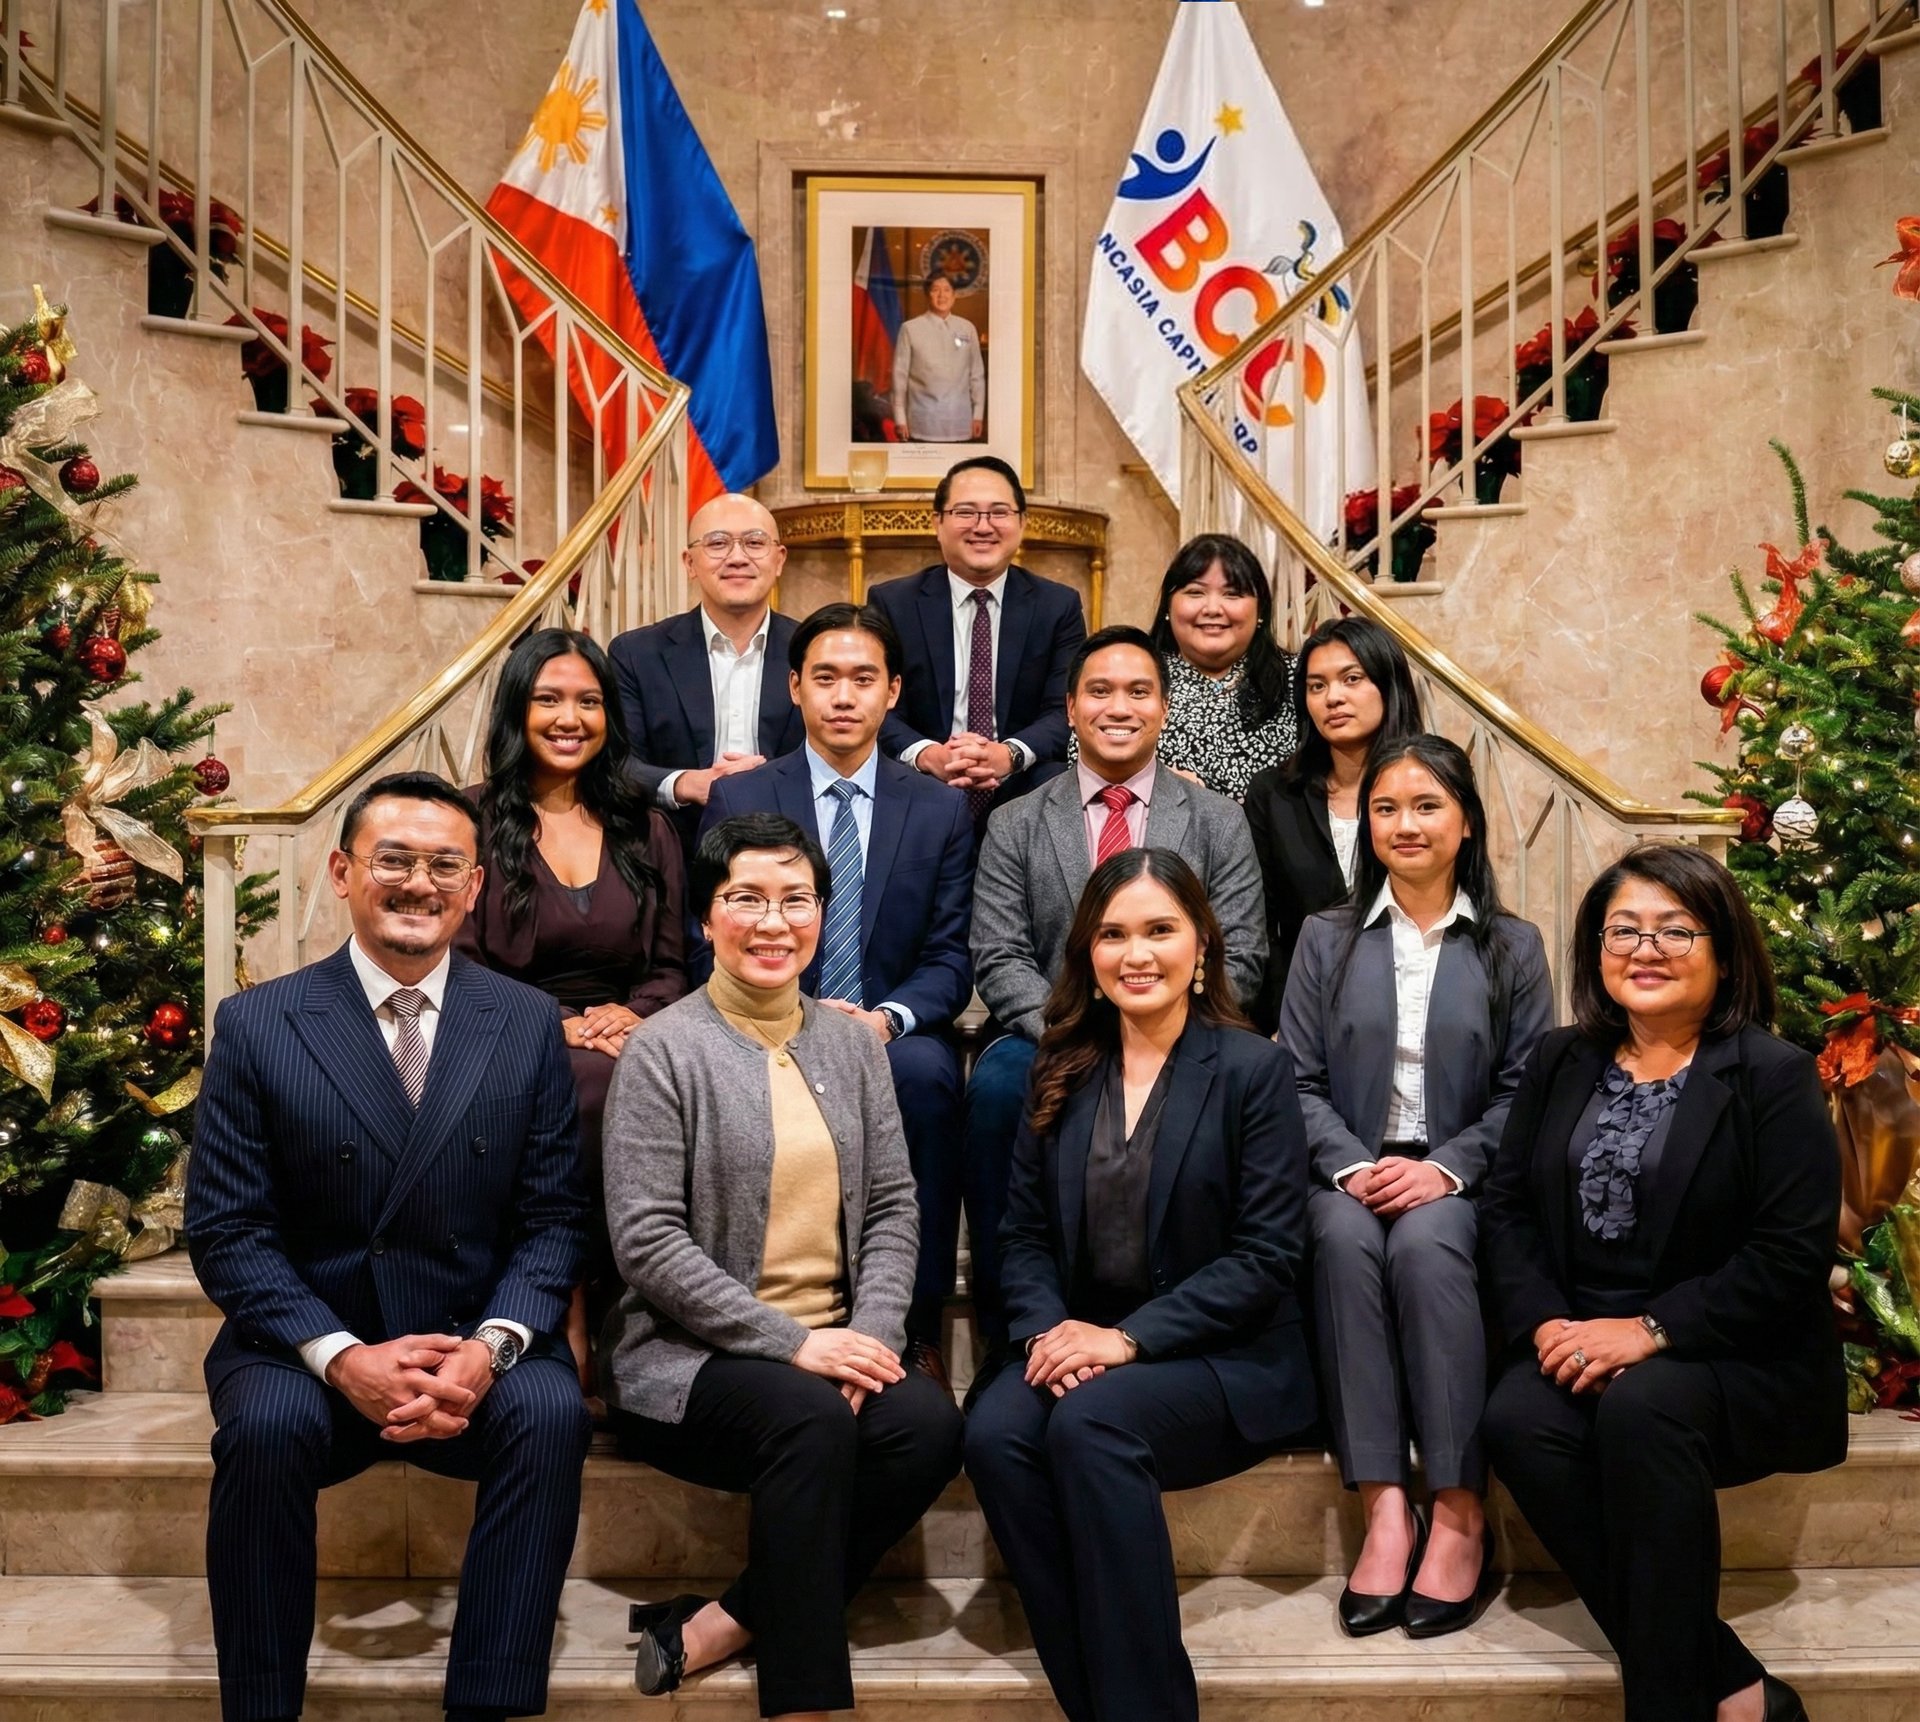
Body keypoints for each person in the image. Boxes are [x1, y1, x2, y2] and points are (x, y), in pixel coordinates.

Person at [187, 771, 590, 1722]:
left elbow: (552, 1220)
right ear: (342, 872)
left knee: (551, 1414)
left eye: (445, 865)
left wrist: (491, 1350)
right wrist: (342, 1356)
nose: (420, 884)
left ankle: (490, 1701)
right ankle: (259, 1703)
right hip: (314, 1337)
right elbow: (228, 1229)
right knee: (266, 1428)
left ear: (476, 886)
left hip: (466, 1335)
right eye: (394, 861)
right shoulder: (258, 1023)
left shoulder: (526, 1020)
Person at [603, 813, 966, 1717]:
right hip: (690, 1357)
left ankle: (728, 1620)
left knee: (925, 1425)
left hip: (832, 1347)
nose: (773, 923)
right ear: (707, 917)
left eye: (795, 900)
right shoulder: (663, 1050)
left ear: (821, 914)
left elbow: (892, 1205)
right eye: (746, 901)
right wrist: (795, 1342)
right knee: (812, 1419)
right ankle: (808, 1700)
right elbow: (647, 1241)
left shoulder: (850, 1044)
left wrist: (872, 1338)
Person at [1481, 844, 1845, 1722]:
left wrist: (1649, 1331)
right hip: (1581, 1340)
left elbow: (1788, 1254)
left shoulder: (1772, 1075)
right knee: (1517, 1417)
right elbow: (1506, 1209)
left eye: (1675, 931)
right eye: (1624, 931)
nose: (1645, 949)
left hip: (1733, 1353)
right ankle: (1736, 1687)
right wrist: (1544, 1327)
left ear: (1723, 951)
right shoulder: (1562, 1058)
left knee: (1644, 1408)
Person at [965, 847, 1317, 1722]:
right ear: (1087, 952)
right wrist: (1051, 1334)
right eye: (1114, 934)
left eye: (1160, 930)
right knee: (998, 1434)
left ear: (1202, 945)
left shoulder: (1253, 1071)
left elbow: (1268, 1256)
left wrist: (1126, 1341)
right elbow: (1024, 1236)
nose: (1137, 953)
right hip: (1078, 1342)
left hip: (1220, 1356)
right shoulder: (1059, 1067)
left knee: (1091, 1422)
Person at [1278, 734, 1551, 1639]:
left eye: (1427, 806)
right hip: (1346, 1164)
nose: (1405, 824)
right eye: (1386, 808)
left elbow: (1526, 1091)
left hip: (1462, 1173)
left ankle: (1460, 1507)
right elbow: (1299, 1081)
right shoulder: (1325, 937)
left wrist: (1446, 1168)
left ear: (1466, 822)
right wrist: (1353, 1166)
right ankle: (1385, 1508)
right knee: (1345, 1245)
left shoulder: (1514, 945)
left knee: (1432, 1251)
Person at [967, 624, 1266, 1358]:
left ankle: (1172, 1321)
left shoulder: (1219, 820)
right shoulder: (1016, 821)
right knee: (1000, 1085)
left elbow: (1244, 952)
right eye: (1099, 691)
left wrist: (1158, 1026)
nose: (1119, 706)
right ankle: (1013, 1336)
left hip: (1184, 1032)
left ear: (1164, 708)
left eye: (1139, 691)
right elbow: (999, 955)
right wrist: (1083, 1030)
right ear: (1070, 708)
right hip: (1056, 1034)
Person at [701, 603, 974, 1383]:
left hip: (886, 1027)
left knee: (927, 1076)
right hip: (765, 1021)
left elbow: (952, 957)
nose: (843, 696)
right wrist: (796, 1017)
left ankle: (910, 1332)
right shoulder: (742, 799)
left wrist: (885, 1021)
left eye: (863, 679)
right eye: (825, 678)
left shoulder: (939, 807)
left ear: (893, 693)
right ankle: (756, 1316)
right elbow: (713, 931)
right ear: (794, 688)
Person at [456, 627, 687, 1389]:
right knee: (588, 1085)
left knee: (639, 1077)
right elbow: (457, 961)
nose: (569, 717)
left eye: (588, 701)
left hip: (625, 1034)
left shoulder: (644, 826)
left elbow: (669, 963)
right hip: (497, 1031)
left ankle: (642, 1306)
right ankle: (567, 1303)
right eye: (549, 698)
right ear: (517, 710)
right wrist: (553, 1025)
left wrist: (636, 1016)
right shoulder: (474, 820)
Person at [869, 455, 1085, 821]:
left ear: (1022, 523)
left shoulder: (1057, 606)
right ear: (937, 522)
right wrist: (927, 754)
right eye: (966, 512)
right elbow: (876, 704)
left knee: (1057, 782)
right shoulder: (893, 603)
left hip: (1023, 784)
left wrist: (1008, 755)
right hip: (920, 782)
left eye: (999, 512)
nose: (983, 526)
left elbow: (1064, 709)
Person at [1244, 615, 1424, 1031]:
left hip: (1414, 1003)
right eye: (1317, 686)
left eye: (1352, 679)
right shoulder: (1274, 794)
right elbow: (1261, 926)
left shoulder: (1434, 783)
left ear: (1388, 684)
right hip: (1304, 1012)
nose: (1333, 698)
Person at [608, 491, 806, 862]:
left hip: (794, 852)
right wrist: (688, 784)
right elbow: (616, 765)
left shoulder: (811, 650)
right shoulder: (637, 654)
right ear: (689, 562)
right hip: (673, 854)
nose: (737, 557)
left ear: (779, 560)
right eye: (717, 543)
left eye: (754, 542)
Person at [1143, 532, 1298, 802]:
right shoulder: (1135, 677)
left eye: (1232, 594)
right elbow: (1085, 756)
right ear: (1168, 605)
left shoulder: (1300, 680)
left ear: (1260, 610)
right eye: (1195, 592)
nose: (1213, 608)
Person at [891, 273, 984, 443]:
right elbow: (899, 377)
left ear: (954, 295)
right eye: (935, 290)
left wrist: (978, 414)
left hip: (960, 422)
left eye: (947, 290)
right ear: (927, 294)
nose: (942, 295)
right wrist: (900, 418)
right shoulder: (910, 328)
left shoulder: (967, 328)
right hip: (922, 422)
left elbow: (976, 374)